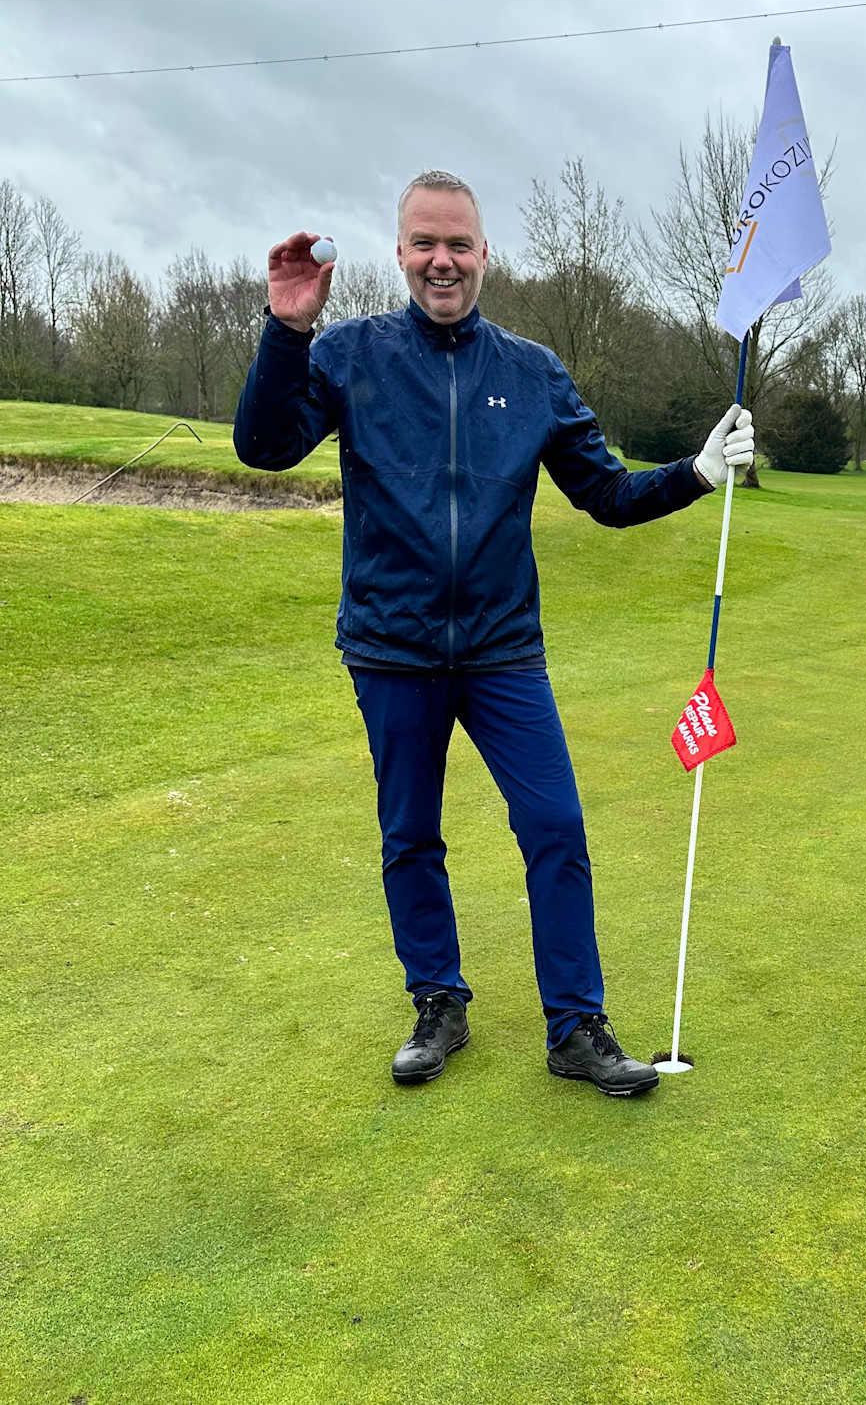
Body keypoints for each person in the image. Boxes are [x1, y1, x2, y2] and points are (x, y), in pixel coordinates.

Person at [234, 169, 755, 1095]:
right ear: (400, 254)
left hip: (503, 648)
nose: (443, 261)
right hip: (390, 647)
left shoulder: (532, 371)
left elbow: (606, 493)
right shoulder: (347, 355)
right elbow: (263, 446)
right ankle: (438, 1002)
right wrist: (286, 327)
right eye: (426, 244)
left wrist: (698, 472)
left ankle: (576, 1028)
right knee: (410, 833)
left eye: (460, 245)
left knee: (554, 824)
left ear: (484, 255)